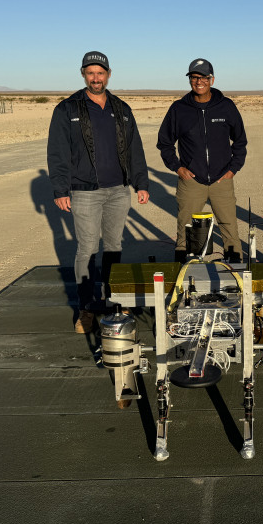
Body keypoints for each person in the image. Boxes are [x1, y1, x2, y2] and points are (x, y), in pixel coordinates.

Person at [47, 51, 150, 333]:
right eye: (90, 73)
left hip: (118, 190)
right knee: (88, 248)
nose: (96, 78)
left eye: (100, 73)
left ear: (108, 74)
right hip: (84, 191)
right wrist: (60, 189)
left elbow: (134, 148)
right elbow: (57, 153)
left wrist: (141, 182)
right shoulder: (67, 109)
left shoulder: (121, 108)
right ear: (83, 74)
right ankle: (86, 309)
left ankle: (115, 300)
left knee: (114, 246)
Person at [157, 58, 247, 262]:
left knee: (229, 227)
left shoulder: (226, 107)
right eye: (194, 77)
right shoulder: (179, 109)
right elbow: (165, 143)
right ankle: (184, 272)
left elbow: (240, 141)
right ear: (190, 80)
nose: (199, 81)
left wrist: (233, 168)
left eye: (204, 77)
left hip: (221, 180)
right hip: (191, 182)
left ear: (212, 80)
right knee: (185, 230)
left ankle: (236, 271)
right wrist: (178, 168)